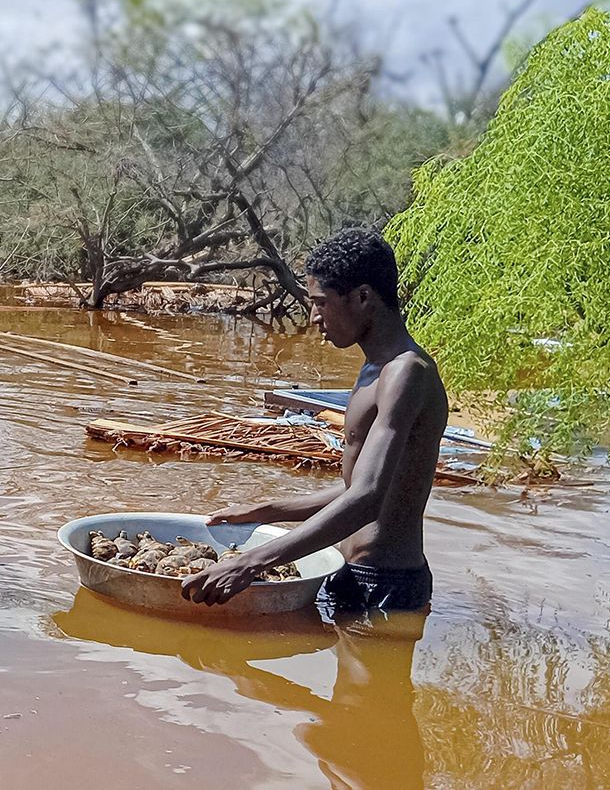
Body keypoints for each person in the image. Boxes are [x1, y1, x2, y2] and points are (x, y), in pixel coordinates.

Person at [182, 228, 448, 619]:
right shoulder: (375, 370)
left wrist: (253, 561)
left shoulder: (406, 373)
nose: (314, 318)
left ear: (362, 297)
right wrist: (267, 510)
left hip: (388, 584)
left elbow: (368, 498)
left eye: (321, 303)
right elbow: (356, 487)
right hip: (353, 573)